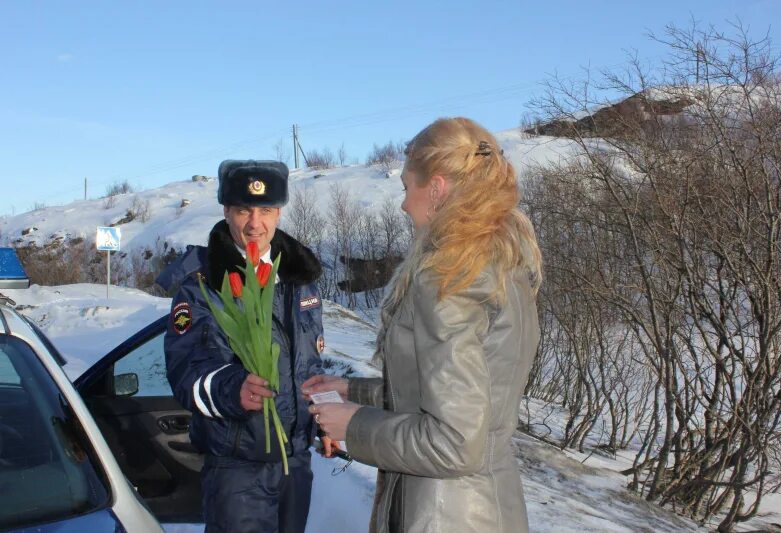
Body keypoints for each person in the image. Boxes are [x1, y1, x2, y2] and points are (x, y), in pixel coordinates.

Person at [303, 117, 543, 533]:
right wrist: (353, 391)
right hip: (492, 505)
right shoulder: (506, 265)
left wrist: (354, 424)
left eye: (406, 188)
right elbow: (458, 398)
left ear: (435, 188)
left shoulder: (448, 279)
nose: (402, 205)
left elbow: (453, 443)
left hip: (442, 513)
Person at [163, 160, 325, 533]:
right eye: (243, 210)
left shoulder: (299, 277)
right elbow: (186, 370)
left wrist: (321, 418)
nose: (255, 224)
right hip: (238, 469)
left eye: (266, 210)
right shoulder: (201, 284)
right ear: (226, 211)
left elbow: (309, 363)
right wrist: (231, 387)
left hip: (295, 463)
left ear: (279, 211)